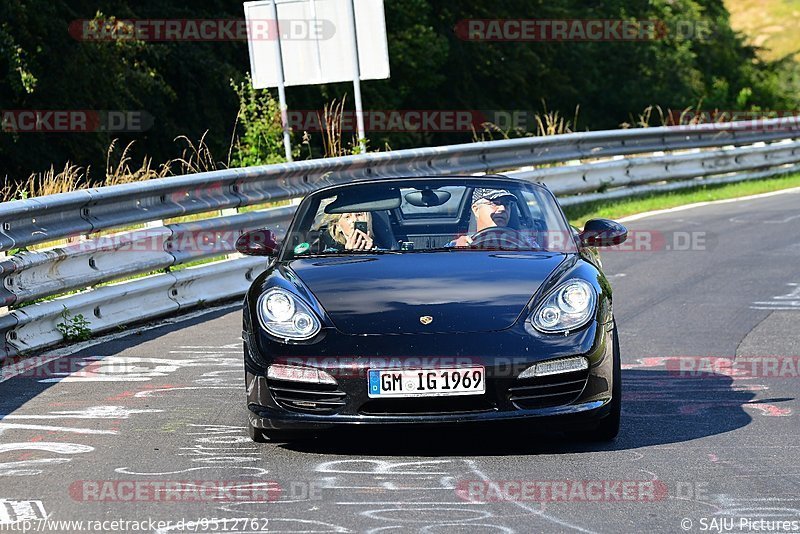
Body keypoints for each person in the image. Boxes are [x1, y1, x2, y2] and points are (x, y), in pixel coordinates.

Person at [449, 188, 538, 248]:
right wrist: (458, 250)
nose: (502, 209)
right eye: (495, 203)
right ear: (476, 209)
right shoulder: (459, 244)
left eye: (506, 204)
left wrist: (527, 249)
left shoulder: (526, 243)